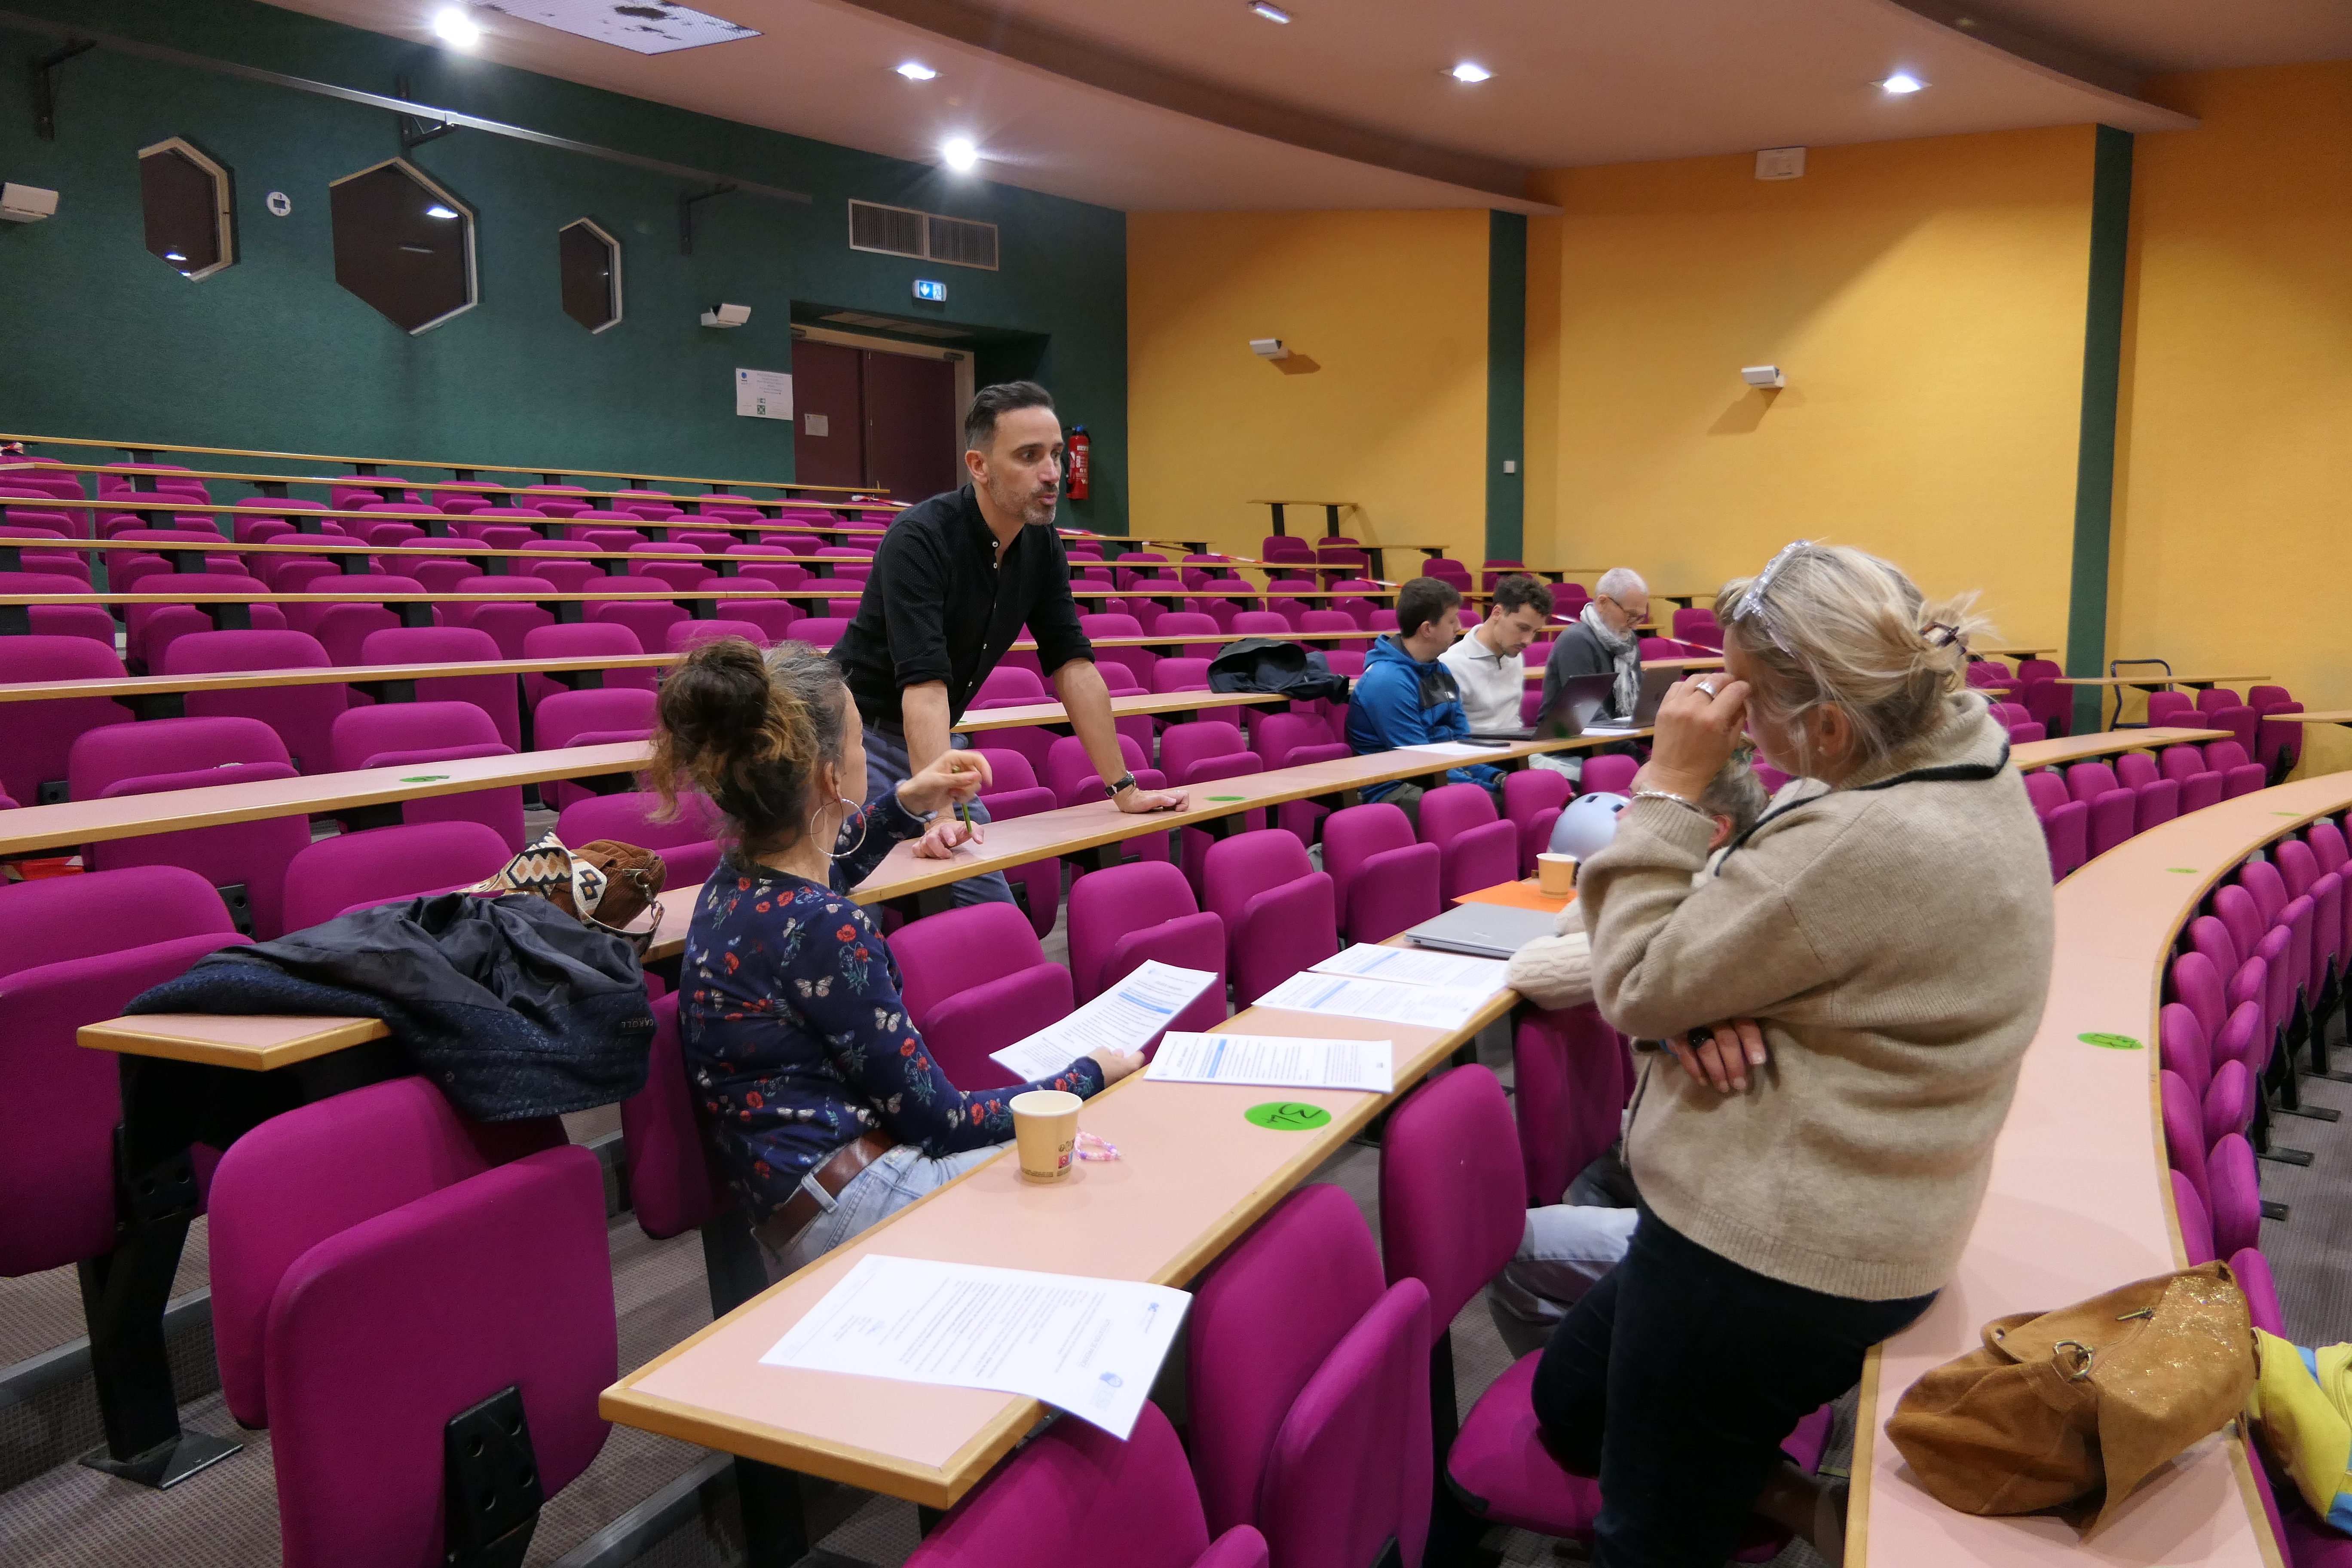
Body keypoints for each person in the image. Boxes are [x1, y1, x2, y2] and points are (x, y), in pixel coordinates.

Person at [1532, 540, 2053, 1567]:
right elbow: (1768, 901)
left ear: (1820, 721)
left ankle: (1723, 1490)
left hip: (1768, 1257)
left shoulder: (1857, 847)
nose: (1724, 706)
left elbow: (1632, 980)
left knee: (1646, 1533)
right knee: (1568, 1403)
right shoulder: (1952, 744)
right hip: (1856, 1217)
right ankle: (1758, 1484)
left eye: (1744, 694)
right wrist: (1702, 990)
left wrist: (1672, 785)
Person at [649, 637, 1145, 1280]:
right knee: (1113, 1180)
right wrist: (1089, 1076)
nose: (866, 755)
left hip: (803, 1199)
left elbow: (829, 867)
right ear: (831, 776)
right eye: (859, 741)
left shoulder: (737, 881)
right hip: (861, 1201)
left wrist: (910, 800)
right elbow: (942, 1123)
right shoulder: (827, 926)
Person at [830, 381, 1184, 905]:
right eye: (1029, 456)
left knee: (988, 899)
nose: (1051, 473)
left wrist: (1124, 790)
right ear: (979, 465)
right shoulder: (919, 539)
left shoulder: (1041, 545)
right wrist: (942, 814)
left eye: (1056, 455)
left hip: (929, 740)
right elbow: (925, 686)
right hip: (853, 741)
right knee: (858, 908)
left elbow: (1073, 666)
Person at [1488, 752, 1769, 1360]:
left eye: (1645, 805)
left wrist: (1613, 909)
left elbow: (1534, 968)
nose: (1623, 818)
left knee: (1512, 1246)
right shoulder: (1744, 878)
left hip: (1735, 1206)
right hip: (1720, 1153)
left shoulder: (1700, 907)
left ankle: (1594, 1381)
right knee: (1597, 1167)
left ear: (1709, 829)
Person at [1344, 576, 1501, 825]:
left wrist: (1496, 778)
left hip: (1441, 777)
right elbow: (1420, 763)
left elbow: (1465, 744)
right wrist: (1483, 788)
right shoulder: (1388, 682)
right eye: (1452, 621)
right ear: (1427, 629)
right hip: (1395, 791)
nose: (1459, 627)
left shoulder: (1440, 670)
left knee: (1517, 791)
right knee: (1493, 804)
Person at [1439, 573, 1555, 732]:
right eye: (1523, 628)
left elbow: (1512, 719)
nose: (1528, 641)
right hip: (1478, 753)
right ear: (1497, 613)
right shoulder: (1451, 664)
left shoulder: (1514, 654)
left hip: (1518, 749)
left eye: (1535, 632)